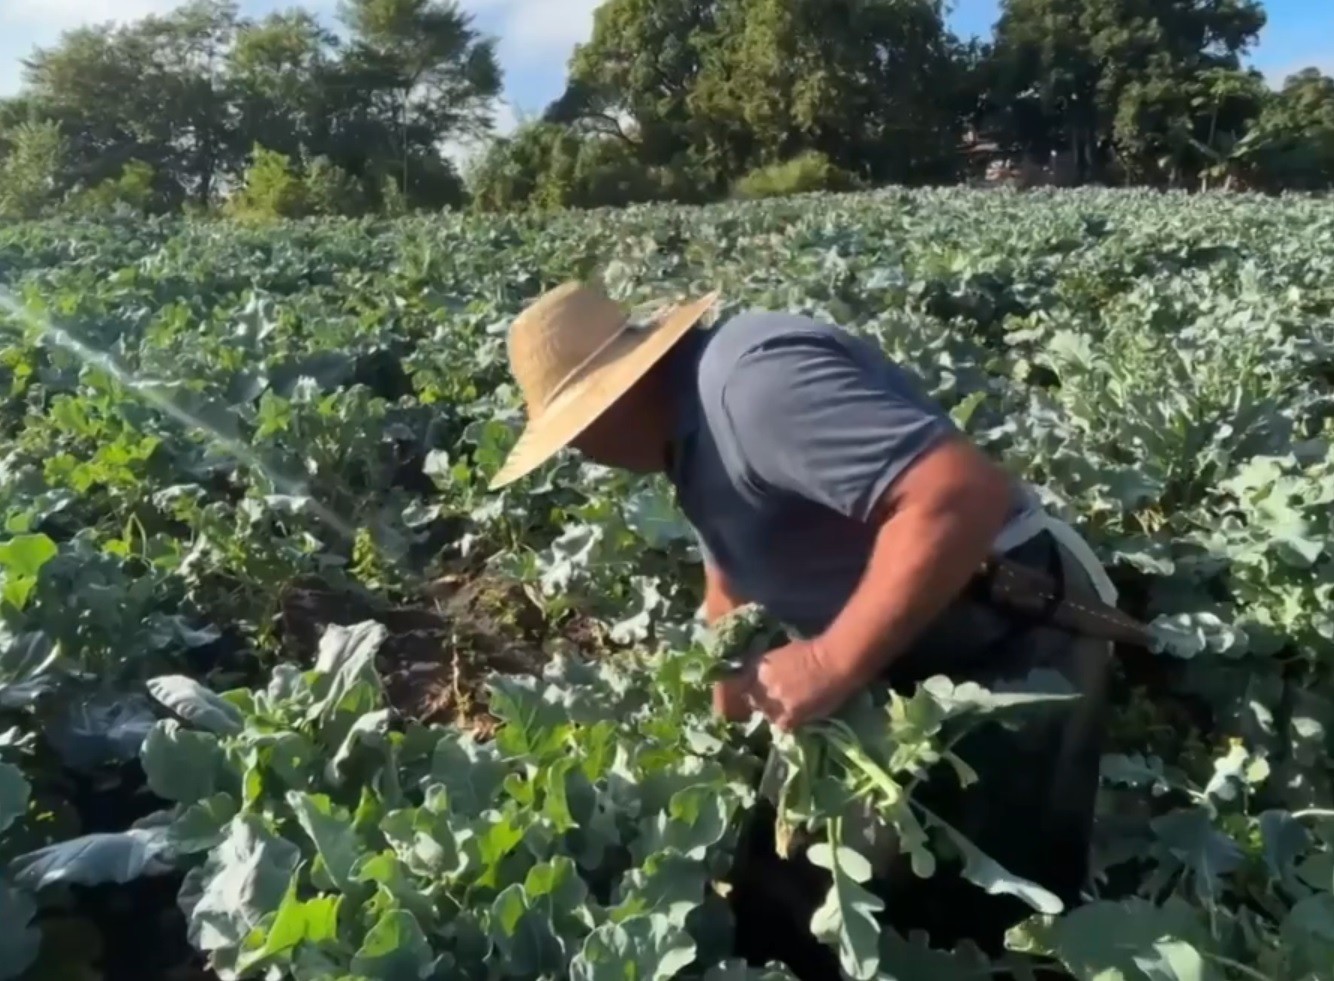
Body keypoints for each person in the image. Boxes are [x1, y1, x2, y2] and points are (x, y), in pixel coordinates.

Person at [489, 281, 1117, 974]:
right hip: (899, 644)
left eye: (574, 431)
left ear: (617, 396)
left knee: (983, 919)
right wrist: (722, 674)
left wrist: (827, 662)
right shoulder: (688, 429)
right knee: (785, 894)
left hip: (1009, 635)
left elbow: (957, 494)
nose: (578, 451)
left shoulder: (755, 391)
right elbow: (732, 564)